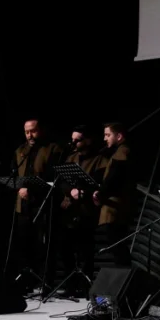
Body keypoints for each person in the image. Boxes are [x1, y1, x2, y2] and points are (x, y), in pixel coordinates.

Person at [9, 119, 64, 289]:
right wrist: (18, 188)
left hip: (43, 204)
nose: (30, 135)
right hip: (23, 205)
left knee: (44, 245)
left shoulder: (53, 148)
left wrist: (30, 189)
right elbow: (14, 174)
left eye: (33, 131)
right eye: (27, 132)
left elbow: (52, 176)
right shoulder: (20, 150)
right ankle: (26, 281)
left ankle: (45, 282)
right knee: (24, 244)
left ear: (41, 130)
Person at [57, 125, 104, 295]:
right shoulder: (70, 158)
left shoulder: (99, 159)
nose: (74, 142)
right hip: (68, 209)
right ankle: (70, 285)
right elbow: (62, 181)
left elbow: (100, 182)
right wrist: (70, 191)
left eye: (78, 139)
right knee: (65, 248)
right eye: (73, 139)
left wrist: (85, 192)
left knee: (86, 250)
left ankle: (86, 286)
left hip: (86, 210)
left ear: (88, 140)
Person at [93, 122, 134, 266]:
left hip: (115, 208)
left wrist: (100, 194)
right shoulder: (119, 152)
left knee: (117, 245)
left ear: (119, 136)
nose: (105, 138)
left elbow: (115, 177)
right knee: (116, 246)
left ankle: (124, 281)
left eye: (108, 135)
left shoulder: (122, 152)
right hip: (115, 207)